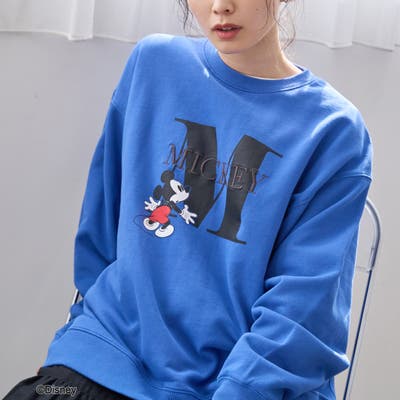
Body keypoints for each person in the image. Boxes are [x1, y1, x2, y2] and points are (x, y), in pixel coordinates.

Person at [4, 0, 373, 399]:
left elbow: (303, 309)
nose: (221, 6)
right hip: (107, 355)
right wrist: (86, 341)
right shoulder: (154, 64)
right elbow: (103, 222)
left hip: (235, 385)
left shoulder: (332, 129)